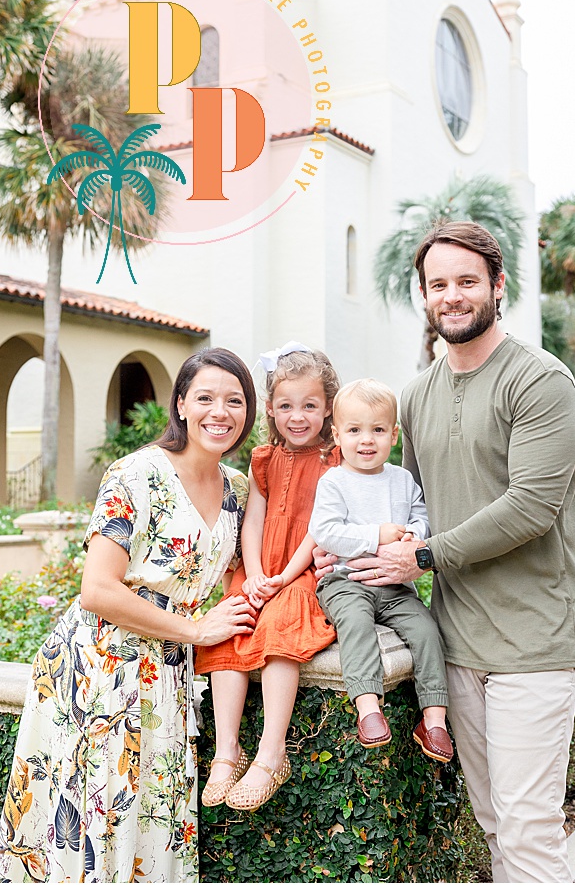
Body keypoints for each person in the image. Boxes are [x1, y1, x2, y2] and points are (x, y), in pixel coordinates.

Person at [323, 220, 575, 882]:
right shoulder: (413, 396)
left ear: (498, 286)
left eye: (467, 281)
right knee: (496, 821)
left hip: (534, 643)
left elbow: (530, 507)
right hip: (455, 641)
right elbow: (405, 507)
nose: (452, 295)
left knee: (528, 830)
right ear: (423, 295)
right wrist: (349, 553)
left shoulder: (541, 382)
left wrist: (421, 558)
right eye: (438, 284)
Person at [0, 349, 261, 882]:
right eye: (204, 398)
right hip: (96, 670)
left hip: (167, 678)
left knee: (148, 824)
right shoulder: (137, 473)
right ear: (181, 404)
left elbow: (258, 566)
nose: (220, 412)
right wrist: (197, 629)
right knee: (90, 825)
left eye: (235, 400)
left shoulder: (239, 489)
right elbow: (97, 590)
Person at [197, 344, 342, 813]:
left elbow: (321, 526)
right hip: (264, 567)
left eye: (309, 406)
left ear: (327, 408)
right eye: (285, 406)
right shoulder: (264, 459)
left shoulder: (336, 461)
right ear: (272, 410)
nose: (296, 416)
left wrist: (281, 578)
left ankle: (271, 752)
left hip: (304, 572)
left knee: (281, 626)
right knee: (231, 621)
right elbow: (253, 521)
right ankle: (227, 751)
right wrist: (255, 573)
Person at [309, 379, 453, 763]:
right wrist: (377, 535)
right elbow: (325, 531)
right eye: (354, 430)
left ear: (394, 435)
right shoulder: (334, 481)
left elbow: (422, 518)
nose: (366, 440)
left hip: (394, 586)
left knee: (426, 629)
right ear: (337, 435)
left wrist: (411, 536)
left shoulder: (402, 480)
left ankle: (434, 718)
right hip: (346, 580)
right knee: (355, 624)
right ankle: (368, 707)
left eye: (377, 430)